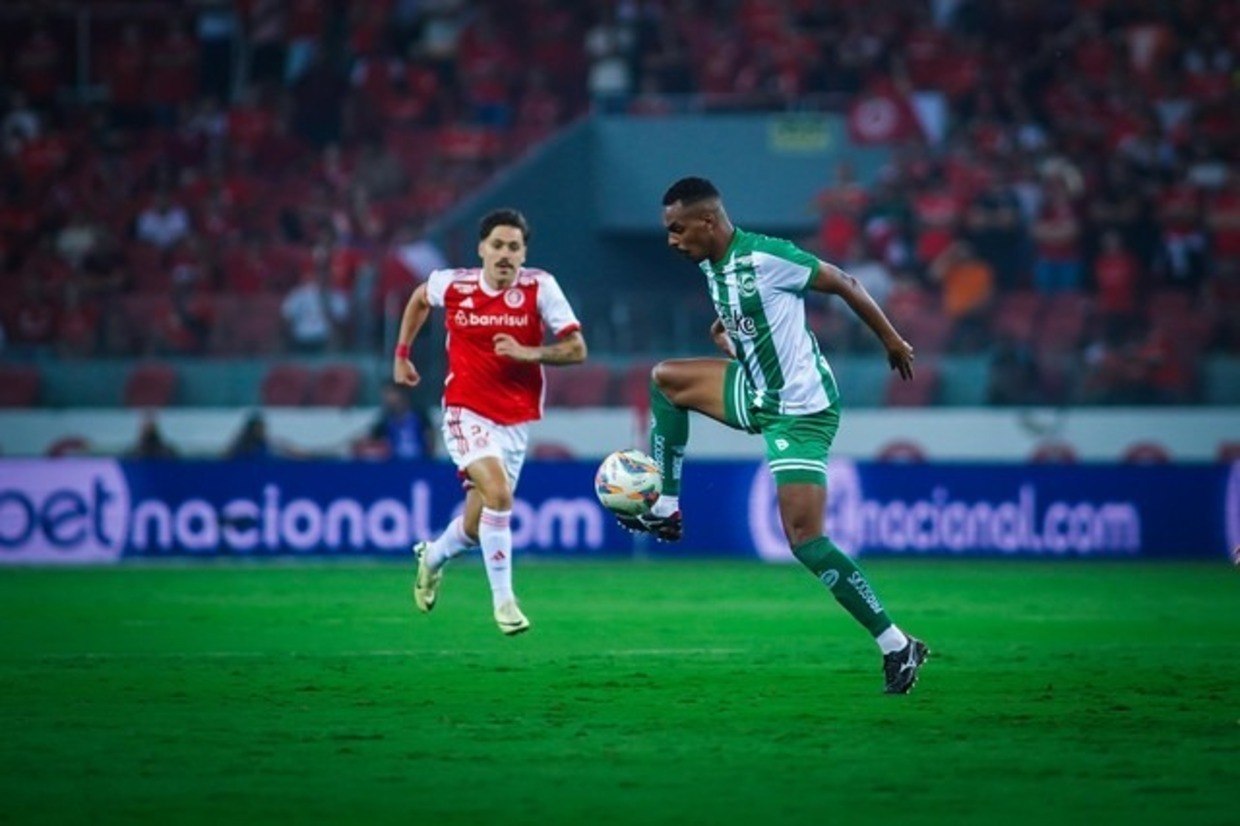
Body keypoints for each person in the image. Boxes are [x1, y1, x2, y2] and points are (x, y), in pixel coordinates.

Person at [626, 176, 928, 694]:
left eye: (677, 229)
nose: (671, 240)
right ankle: (666, 506)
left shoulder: (767, 257)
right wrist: (728, 336)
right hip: (757, 389)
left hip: (802, 411)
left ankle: (897, 644)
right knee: (666, 381)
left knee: (805, 540)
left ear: (707, 222)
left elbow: (845, 282)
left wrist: (893, 341)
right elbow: (754, 322)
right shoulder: (710, 264)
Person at [393, 208, 586, 636]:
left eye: (513, 247)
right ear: (482, 248)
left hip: (515, 420)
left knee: (475, 527)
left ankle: (432, 557)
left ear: (523, 254)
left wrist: (529, 352)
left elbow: (577, 349)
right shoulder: (454, 284)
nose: (504, 254)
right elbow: (420, 298)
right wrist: (402, 354)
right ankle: (505, 602)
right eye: (497, 245)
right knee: (499, 494)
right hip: (464, 410)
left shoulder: (540, 287)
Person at [367, 381, 435, 460]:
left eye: (390, 393)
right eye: (385, 394)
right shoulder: (383, 422)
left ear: (401, 394)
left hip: (420, 463)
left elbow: (430, 443)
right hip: (394, 465)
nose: (386, 398)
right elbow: (373, 444)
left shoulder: (420, 417)